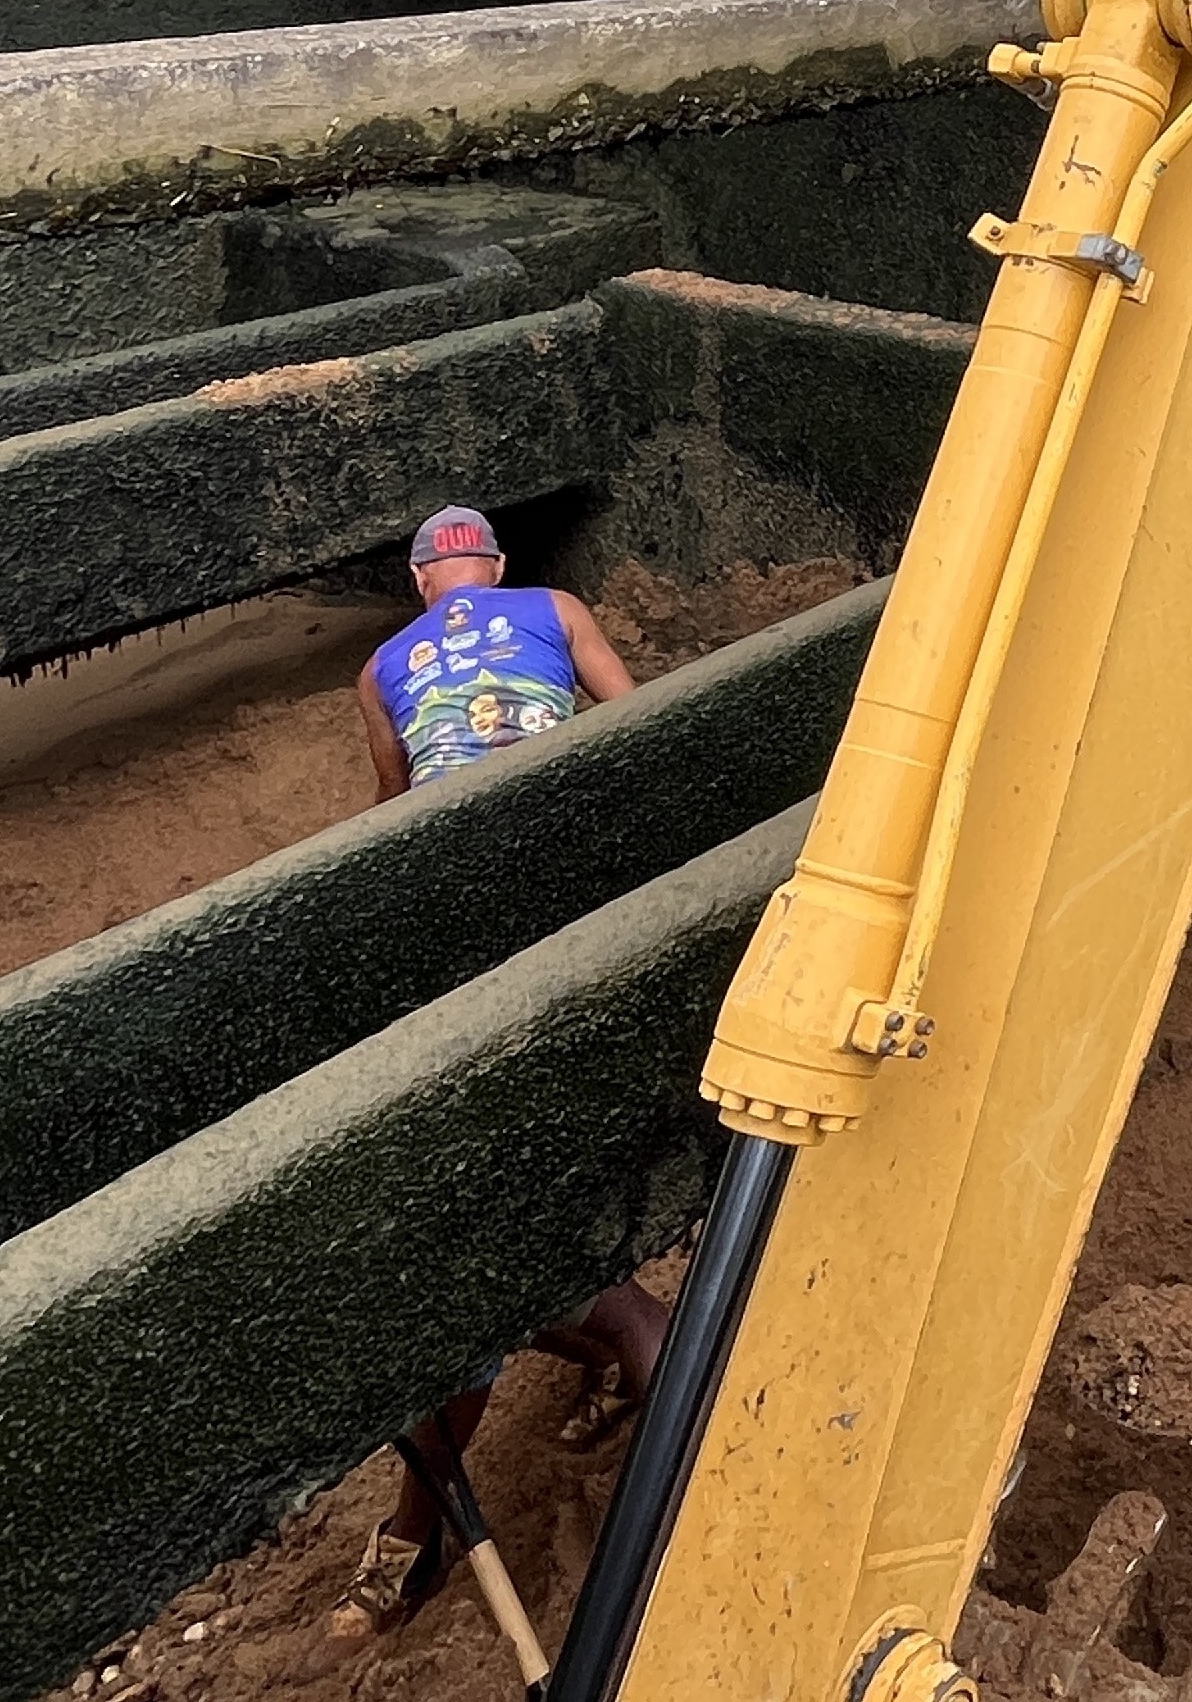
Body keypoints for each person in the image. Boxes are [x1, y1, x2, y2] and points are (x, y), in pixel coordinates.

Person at [329, 506, 662, 1643]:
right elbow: (636, 717)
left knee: (480, 1235)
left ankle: (422, 1534)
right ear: (496, 573)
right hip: (568, 862)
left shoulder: (383, 664)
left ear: (423, 585)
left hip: (459, 893)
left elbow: (392, 798)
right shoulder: (556, 609)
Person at [349, 503, 636, 802]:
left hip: (449, 817)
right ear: (499, 566)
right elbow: (634, 710)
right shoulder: (559, 607)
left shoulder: (377, 668)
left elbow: (394, 790)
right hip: (556, 790)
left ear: (419, 576)